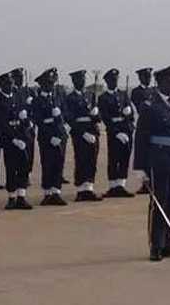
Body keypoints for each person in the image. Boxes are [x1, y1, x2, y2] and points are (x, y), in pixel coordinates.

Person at [133, 64, 170, 261]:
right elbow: (141, 137)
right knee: (159, 202)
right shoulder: (150, 106)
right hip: (159, 159)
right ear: (161, 83)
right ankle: (156, 245)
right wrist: (140, 168)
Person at [0, 71, 34, 210]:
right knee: (11, 168)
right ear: (1, 86)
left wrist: (27, 122)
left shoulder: (18, 97)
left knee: (23, 167)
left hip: (23, 138)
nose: (10, 86)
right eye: (6, 84)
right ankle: (11, 197)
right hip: (9, 140)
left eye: (11, 83)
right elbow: (1, 124)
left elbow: (24, 116)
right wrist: (13, 139)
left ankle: (21, 196)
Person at [64, 69, 102, 202]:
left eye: (83, 79)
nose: (82, 81)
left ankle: (89, 188)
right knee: (81, 160)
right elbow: (69, 119)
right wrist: (82, 133)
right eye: (79, 79)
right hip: (80, 134)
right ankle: (80, 190)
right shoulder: (70, 98)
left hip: (92, 131)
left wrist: (96, 114)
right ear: (74, 81)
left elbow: (98, 118)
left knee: (92, 160)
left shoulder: (90, 95)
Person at [32, 68, 67, 205]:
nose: (51, 86)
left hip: (60, 135)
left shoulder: (58, 97)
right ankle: (47, 193)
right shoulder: (37, 100)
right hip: (47, 137)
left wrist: (64, 130)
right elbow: (38, 120)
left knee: (59, 163)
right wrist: (49, 136)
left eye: (52, 83)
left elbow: (66, 114)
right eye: (48, 83)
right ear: (42, 85)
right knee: (48, 164)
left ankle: (56, 191)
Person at [99, 68, 135, 198]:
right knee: (114, 158)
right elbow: (105, 117)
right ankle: (113, 186)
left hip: (126, 129)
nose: (114, 82)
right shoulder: (103, 98)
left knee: (125, 157)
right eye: (112, 80)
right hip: (114, 131)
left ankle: (121, 184)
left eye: (116, 79)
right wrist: (116, 132)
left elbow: (130, 116)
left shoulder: (123, 94)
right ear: (107, 81)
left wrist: (129, 116)